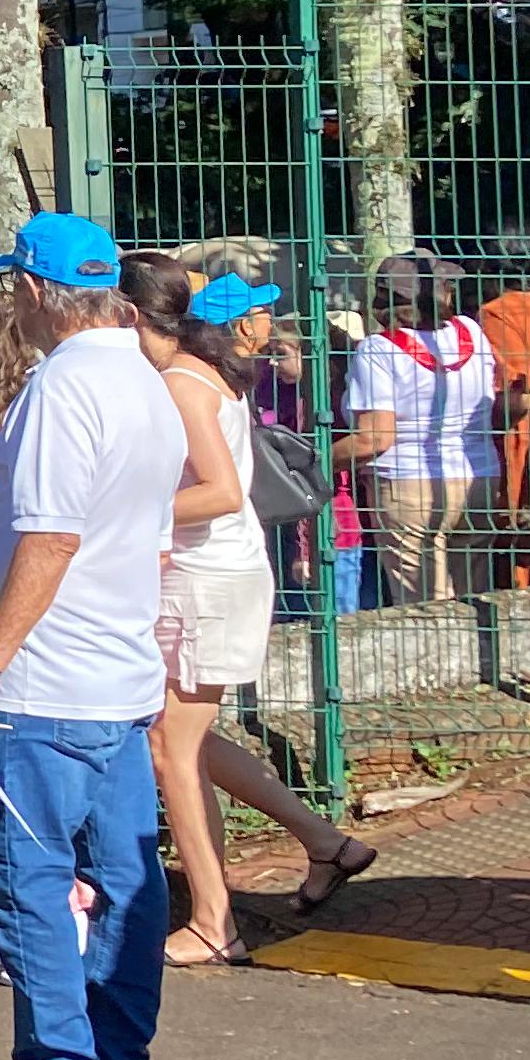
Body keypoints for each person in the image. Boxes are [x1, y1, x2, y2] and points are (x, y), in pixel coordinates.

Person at [0, 212, 181, 1060]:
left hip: (44, 678)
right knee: (123, 872)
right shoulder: (143, 378)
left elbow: (49, 536)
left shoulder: (63, 386)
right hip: (112, 671)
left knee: (25, 874)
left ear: (33, 292)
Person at [121, 258, 356, 964]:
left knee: (171, 746)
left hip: (205, 579)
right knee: (185, 738)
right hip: (218, 576)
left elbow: (221, 493)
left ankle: (214, 921)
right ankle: (323, 843)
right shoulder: (207, 376)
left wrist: (122, 515)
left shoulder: (183, 382)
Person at [340, 249, 495, 605]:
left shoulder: (379, 350)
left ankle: (446, 661)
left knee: (426, 608)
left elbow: (374, 438)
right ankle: (483, 660)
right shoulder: (472, 331)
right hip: (478, 477)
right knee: (473, 599)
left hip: (407, 485)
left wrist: (318, 461)